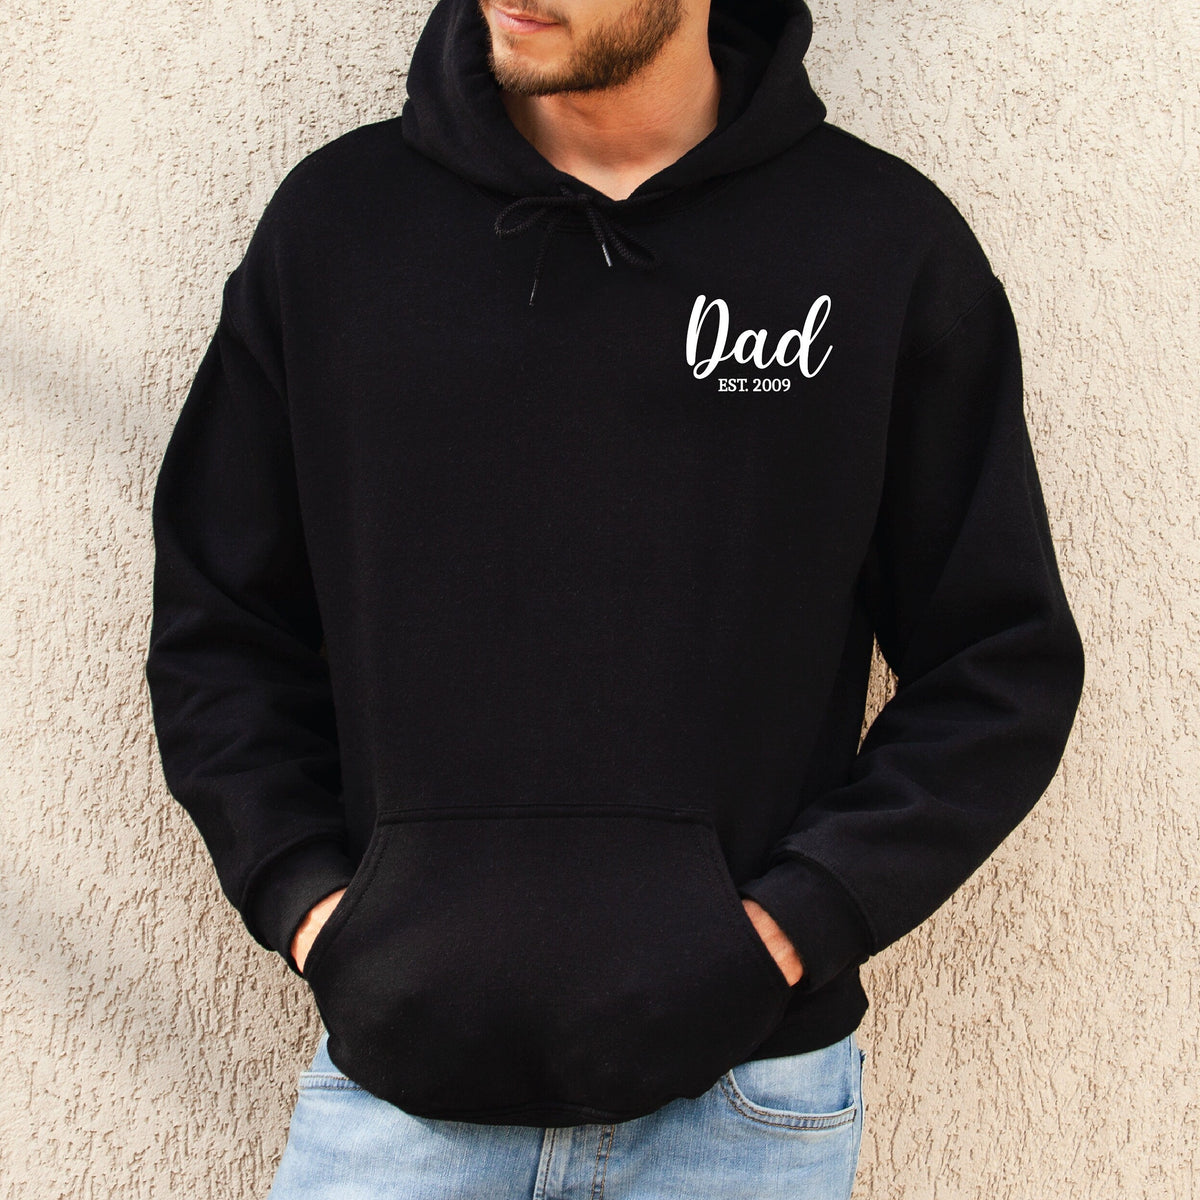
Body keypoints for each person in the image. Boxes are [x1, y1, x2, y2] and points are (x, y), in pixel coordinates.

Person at [143, 0, 1085, 1195]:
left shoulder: (877, 246)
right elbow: (221, 624)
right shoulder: (341, 229)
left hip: (743, 1103)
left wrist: (794, 924)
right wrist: (311, 902)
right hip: (397, 1105)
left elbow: (999, 660)